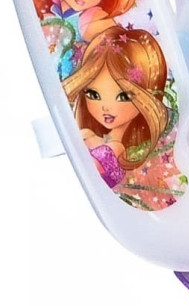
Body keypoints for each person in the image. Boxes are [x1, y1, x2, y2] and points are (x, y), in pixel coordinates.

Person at [62, 26, 168, 189]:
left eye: (124, 96)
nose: (105, 107)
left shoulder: (118, 150)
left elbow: (88, 173)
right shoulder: (87, 134)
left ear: (144, 97)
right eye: (93, 94)